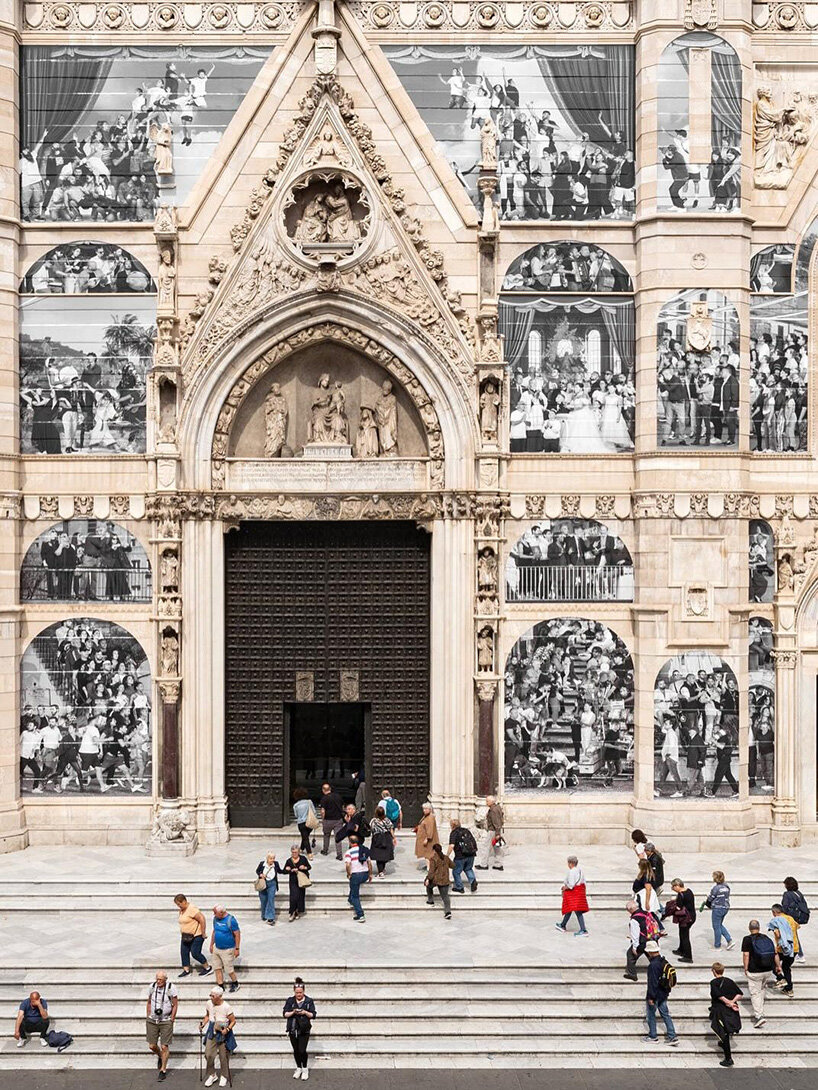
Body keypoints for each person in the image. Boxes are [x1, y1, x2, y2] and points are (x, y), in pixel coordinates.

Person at [741, 918, 779, 1028]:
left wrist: (746, 968)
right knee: (762, 989)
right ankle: (761, 1010)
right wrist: (778, 966)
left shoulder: (747, 939)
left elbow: (746, 955)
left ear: (749, 928)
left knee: (755, 993)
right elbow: (775, 953)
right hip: (768, 970)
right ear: (759, 928)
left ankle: (759, 1016)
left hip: (755, 971)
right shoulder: (766, 938)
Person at [643, 940, 680, 1045]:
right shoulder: (663, 961)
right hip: (663, 993)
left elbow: (653, 983)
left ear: (650, 952)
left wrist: (651, 997)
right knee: (665, 1014)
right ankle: (672, 1036)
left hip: (656, 994)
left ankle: (653, 1036)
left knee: (651, 1015)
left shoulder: (653, 965)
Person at [200, 985, 236, 1088]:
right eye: (210, 995)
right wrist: (203, 1023)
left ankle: (224, 1076)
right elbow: (207, 1015)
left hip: (223, 1029)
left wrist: (227, 1029)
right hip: (212, 1030)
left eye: (213, 996)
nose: (211, 997)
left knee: (223, 1056)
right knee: (208, 1054)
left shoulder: (226, 1006)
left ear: (219, 996)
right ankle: (212, 1075)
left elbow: (233, 1021)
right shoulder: (209, 1003)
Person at [145, 970, 177, 1082]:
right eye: (157, 979)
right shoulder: (152, 987)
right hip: (152, 1020)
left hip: (166, 1020)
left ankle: (163, 1070)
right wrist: (148, 1015)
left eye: (160, 980)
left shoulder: (171, 988)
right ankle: (160, 1055)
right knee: (152, 1046)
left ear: (165, 980)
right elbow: (149, 1002)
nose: (158, 981)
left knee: (164, 1046)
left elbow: (175, 1004)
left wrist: (172, 1019)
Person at [283, 976, 317, 1079]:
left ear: (304, 991)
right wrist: (293, 1012)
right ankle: (298, 1068)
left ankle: (305, 1069)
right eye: (297, 992)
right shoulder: (290, 1000)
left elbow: (313, 1015)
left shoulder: (309, 1001)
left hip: (304, 1030)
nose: (299, 994)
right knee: (296, 1050)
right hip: (293, 1029)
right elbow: (285, 1014)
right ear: (294, 991)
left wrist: (305, 1012)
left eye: (300, 992)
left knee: (302, 1050)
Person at [709, 962, 742, 1066]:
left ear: (714, 971)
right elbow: (739, 993)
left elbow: (719, 996)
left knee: (724, 1032)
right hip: (731, 1010)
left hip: (721, 1010)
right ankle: (722, 1043)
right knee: (726, 1030)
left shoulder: (714, 982)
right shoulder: (729, 981)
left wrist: (729, 1003)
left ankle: (728, 1059)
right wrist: (732, 1002)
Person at [174, 894, 212, 977]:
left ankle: (207, 967)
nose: (178, 906)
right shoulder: (181, 910)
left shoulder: (192, 909)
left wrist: (203, 932)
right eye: (177, 905)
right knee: (184, 952)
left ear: (184, 901)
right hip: (186, 936)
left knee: (195, 953)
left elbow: (202, 919)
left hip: (196, 935)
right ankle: (186, 970)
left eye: (179, 904)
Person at [768, 902, 799, 997]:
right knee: (786, 967)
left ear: (774, 912)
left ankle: (780, 978)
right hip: (794, 948)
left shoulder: (776, 920)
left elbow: (778, 934)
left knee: (770, 962)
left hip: (782, 949)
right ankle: (789, 989)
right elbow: (798, 927)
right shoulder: (790, 918)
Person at [624, 899, 658, 981]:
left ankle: (632, 974)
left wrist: (634, 947)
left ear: (631, 909)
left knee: (630, 955)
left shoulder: (634, 919)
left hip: (642, 942)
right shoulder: (646, 913)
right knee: (653, 957)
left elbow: (635, 935)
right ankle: (659, 972)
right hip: (652, 939)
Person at [210, 905, 241, 993]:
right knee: (217, 967)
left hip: (227, 949)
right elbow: (214, 931)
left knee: (229, 969)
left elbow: (237, 934)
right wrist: (211, 944)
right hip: (217, 947)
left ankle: (235, 983)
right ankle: (220, 985)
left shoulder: (231, 920)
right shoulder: (215, 919)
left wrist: (237, 948)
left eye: (215, 913)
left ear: (221, 912)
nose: (214, 915)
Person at [556, 855, 589, 935]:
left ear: (571, 863)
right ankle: (563, 925)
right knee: (570, 909)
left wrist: (564, 888)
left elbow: (571, 885)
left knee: (577, 911)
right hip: (579, 893)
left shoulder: (571, 872)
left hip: (573, 894)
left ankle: (583, 930)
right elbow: (584, 882)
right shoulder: (580, 871)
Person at [665, 878, 696, 962]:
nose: (672, 889)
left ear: (677, 886)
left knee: (684, 936)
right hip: (691, 916)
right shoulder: (689, 891)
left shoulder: (681, 895)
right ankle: (681, 950)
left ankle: (688, 956)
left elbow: (679, 907)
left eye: (673, 887)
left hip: (686, 918)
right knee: (682, 933)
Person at [447, 818, 478, 894]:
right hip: (471, 854)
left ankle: (459, 887)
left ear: (452, 826)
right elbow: (473, 841)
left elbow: (452, 845)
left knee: (456, 872)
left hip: (460, 856)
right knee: (468, 869)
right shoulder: (466, 830)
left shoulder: (454, 833)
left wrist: (447, 855)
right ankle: (473, 881)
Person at [345, 833, 371, 922]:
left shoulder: (349, 852)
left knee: (355, 896)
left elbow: (348, 865)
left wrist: (349, 874)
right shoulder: (364, 850)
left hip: (356, 875)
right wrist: (370, 874)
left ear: (350, 842)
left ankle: (360, 915)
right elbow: (369, 863)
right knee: (353, 886)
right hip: (365, 874)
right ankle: (350, 899)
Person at [782, 876, 810, 959]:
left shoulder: (787, 894)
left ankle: (800, 954)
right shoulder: (799, 893)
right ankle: (795, 953)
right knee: (793, 934)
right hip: (798, 917)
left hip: (791, 918)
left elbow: (785, 906)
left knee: (792, 935)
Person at [282, 843, 311, 922]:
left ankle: (297, 911)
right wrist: (288, 869)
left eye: (296, 852)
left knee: (300, 896)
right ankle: (292, 912)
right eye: (293, 852)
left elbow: (309, 867)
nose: (294, 854)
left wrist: (304, 867)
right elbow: (284, 871)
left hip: (301, 880)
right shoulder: (289, 861)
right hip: (293, 880)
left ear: (298, 852)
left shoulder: (303, 859)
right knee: (293, 897)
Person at [707, 870, 734, 951]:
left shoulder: (716, 888)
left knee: (716, 927)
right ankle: (729, 940)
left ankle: (717, 945)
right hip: (725, 907)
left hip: (717, 908)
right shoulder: (726, 886)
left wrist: (708, 899)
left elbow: (711, 898)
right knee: (719, 925)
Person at [425, 843, 454, 919]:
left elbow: (431, 871)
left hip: (436, 880)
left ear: (434, 850)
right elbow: (453, 866)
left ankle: (430, 900)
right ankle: (448, 912)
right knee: (445, 896)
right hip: (445, 880)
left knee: (428, 886)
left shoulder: (433, 859)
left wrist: (428, 878)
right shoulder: (446, 858)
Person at [476, 795, 504, 870]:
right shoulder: (497, 807)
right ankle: (498, 865)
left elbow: (497, 822)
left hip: (493, 831)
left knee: (486, 847)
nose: (486, 802)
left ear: (492, 801)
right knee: (496, 848)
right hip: (495, 831)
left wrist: (497, 834)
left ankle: (484, 864)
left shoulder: (493, 810)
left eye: (487, 801)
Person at [318, 781, 345, 858]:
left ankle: (325, 850)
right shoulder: (338, 796)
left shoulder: (324, 798)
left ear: (323, 790)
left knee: (326, 835)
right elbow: (343, 807)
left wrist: (323, 819)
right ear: (330, 789)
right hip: (338, 820)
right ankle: (339, 854)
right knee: (338, 837)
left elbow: (323, 811)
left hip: (328, 820)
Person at [369, 806, 396, 877]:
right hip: (386, 838)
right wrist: (394, 838)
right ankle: (382, 869)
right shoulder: (387, 820)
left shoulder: (373, 821)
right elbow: (391, 829)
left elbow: (371, 828)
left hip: (377, 838)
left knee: (378, 855)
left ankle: (381, 871)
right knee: (385, 854)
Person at [255, 852, 279, 925]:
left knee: (271, 899)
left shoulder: (276, 864)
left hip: (272, 884)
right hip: (263, 884)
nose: (272, 860)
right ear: (267, 858)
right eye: (271, 858)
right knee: (263, 900)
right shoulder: (262, 864)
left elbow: (280, 870)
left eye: (273, 858)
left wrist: (288, 869)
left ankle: (270, 917)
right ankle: (264, 915)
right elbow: (257, 871)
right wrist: (260, 874)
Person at [415, 801, 439, 871]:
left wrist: (427, 838)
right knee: (427, 854)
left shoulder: (430, 818)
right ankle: (429, 866)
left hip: (428, 839)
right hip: (424, 837)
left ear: (430, 809)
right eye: (423, 809)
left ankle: (429, 868)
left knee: (428, 854)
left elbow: (430, 829)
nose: (424, 810)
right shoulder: (426, 816)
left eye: (426, 809)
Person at [292, 787, 315, 860]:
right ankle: (301, 849)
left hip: (301, 823)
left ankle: (309, 853)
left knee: (305, 838)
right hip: (309, 822)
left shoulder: (295, 805)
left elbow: (296, 815)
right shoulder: (309, 802)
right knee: (305, 837)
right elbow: (314, 812)